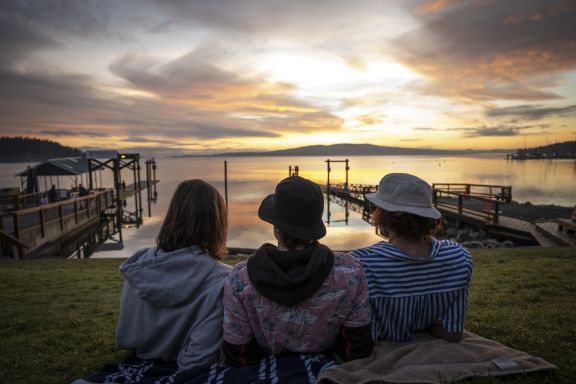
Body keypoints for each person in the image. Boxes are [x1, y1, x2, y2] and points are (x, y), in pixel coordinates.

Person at [223, 176, 373, 367]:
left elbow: (239, 355)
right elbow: (356, 350)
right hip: (326, 368)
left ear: (277, 230)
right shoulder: (350, 272)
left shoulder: (239, 280)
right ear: (314, 228)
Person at [116, 179, 231, 371]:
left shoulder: (140, 263)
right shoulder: (223, 280)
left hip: (139, 356)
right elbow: (196, 361)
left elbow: (129, 331)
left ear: (173, 213)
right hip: (183, 365)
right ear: (216, 222)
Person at [349, 173, 473, 343]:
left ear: (383, 216)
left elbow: (362, 336)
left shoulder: (360, 264)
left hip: (383, 346)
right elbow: (453, 334)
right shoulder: (459, 257)